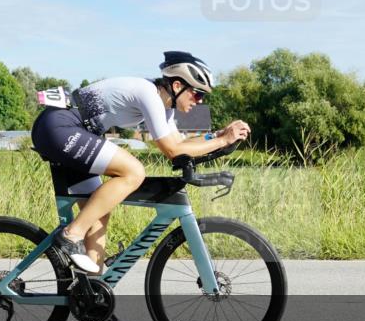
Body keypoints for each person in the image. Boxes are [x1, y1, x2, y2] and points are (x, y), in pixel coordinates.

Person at [30, 51, 250, 273]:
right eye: (197, 94)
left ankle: (92, 288)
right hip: (61, 127)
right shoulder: (149, 95)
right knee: (134, 172)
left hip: (71, 130)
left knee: (98, 210)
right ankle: (70, 236)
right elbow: (172, 151)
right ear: (176, 86)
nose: (199, 101)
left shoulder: (164, 108)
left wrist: (217, 136)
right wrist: (223, 139)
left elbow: (181, 144)